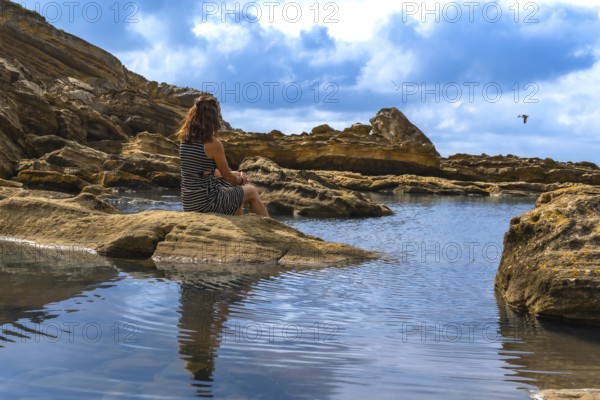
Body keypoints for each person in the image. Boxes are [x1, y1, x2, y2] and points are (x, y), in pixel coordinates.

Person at [176, 95, 269, 217]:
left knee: (235, 189)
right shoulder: (213, 143)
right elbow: (227, 177)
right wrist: (241, 179)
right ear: (213, 119)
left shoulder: (185, 140)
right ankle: (268, 228)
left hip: (190, 202)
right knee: (251, 190)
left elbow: (201, 172)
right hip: (206, 202)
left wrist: (235, 174)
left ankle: (238, 223)